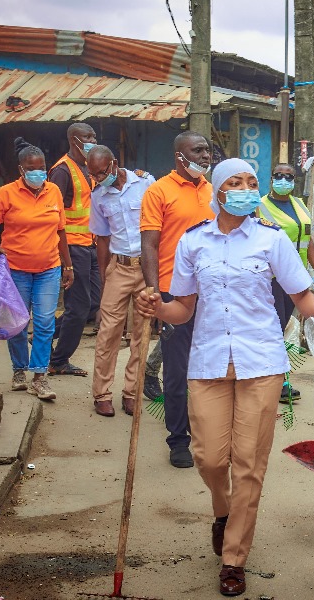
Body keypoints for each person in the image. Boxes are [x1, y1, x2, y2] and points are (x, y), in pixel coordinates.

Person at [135, 158, 314, 598]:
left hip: (261, 361)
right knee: (210, 459)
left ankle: (234, 557)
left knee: (249, 463)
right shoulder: (194, 243)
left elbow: (300, 293)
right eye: (235, 182)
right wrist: (157, 308)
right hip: (209, 360)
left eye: (252, 182)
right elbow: (183, 309)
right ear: (218, 191)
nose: (247, 189)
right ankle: (222, 509)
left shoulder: (271, 241)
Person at [140, 131, 214, 469]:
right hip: (174, 290)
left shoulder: (214, 192)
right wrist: (155, 291)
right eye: (197, 150)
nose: (205, 155)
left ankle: (205, 431)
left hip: (213, 291)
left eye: (207, 150)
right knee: (178, 368)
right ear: (179, 156)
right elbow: (150, 245)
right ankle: (178, 439)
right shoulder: (159, 191)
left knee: (210, 366)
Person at [0, 138, 74, 401]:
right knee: (18, 324)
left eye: (42, 167)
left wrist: (68, 265)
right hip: (16, 269)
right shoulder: (5, 193)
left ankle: (39, 377)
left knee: (44, 324)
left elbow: (61, 231)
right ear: (21, 170)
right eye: (32, 168)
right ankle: (19, 370)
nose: (39, 172)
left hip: (49, 268)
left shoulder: (53, 191)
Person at [87, 145, 155, 418]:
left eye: (102, 172)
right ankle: (102, 394)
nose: (98, 178)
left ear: (114, 163)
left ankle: (132, 393)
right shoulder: (98, 196)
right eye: (93, 174)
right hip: (119, 266)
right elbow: (101, 239)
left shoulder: (145, 181)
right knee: (108, 332)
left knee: (142, 333)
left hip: (146, 267)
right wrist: (105, 276)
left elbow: (157, 225)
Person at [255, 162, 314, 403]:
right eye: (279, 175)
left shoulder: (299, 204)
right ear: (271, 178)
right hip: (270, 279)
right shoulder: (260, 206)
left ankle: (277, 380)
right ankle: (271, 382)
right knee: (273, 330)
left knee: (282, 329)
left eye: (289, 176)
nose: (284, 180)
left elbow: (309, 241)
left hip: (295, 279)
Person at [46, 122, 99, 377]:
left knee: (93, 302)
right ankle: (58, 360)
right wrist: (64, 260)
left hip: (90, 245)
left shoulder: (87, 168)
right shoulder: (62, 171)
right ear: (74, 139)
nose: (93, 140)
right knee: (78, 307)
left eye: (94, 135)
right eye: (88, 136)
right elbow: (55, 217)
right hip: (73, 248)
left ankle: (45, 334)